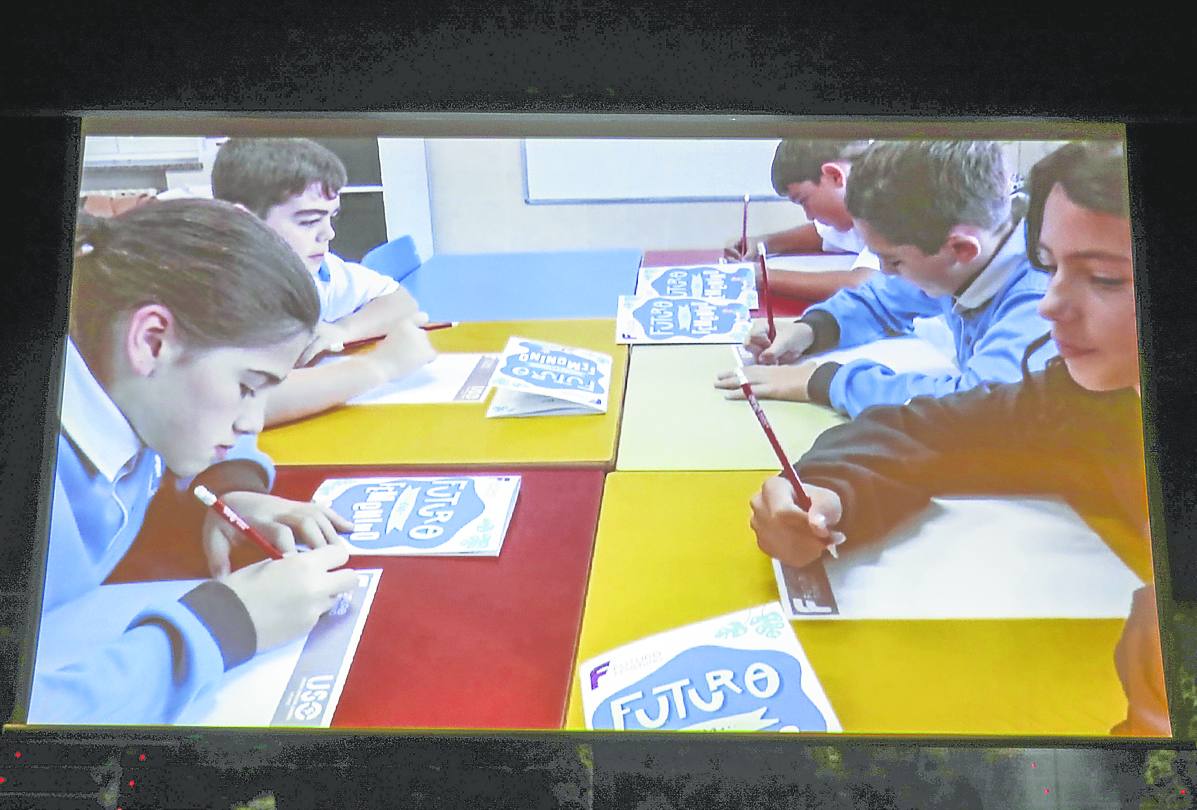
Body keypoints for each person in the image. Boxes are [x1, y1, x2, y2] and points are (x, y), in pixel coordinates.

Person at [748, 141, 1169, 736]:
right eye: (1048, 265)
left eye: (1104, 278)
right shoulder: (1089, 403)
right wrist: (824, 490)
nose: (1050, 304)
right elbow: (935, 428)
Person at [30, 199, 359, 724]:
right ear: (152, 341)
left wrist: (230, 486)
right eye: (247, 387)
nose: (253, 423)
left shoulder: (130, 396)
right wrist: (221, 628)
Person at [715, 140, 1057, 418]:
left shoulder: (1041, 302)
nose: (887, 272)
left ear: (961, 249)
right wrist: (812, 329)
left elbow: (974, 405)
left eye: (893, 261)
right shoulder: (975, 247)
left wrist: (826, 381)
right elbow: (882, 298)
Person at [211, 138, 435, 425]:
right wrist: (380, 366)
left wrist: (343, 329)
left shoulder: (316, 270)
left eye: (331, 218)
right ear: (243, 222)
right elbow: (238, 404)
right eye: (308, 221)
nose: (328, 234)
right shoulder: (213, 288)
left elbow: (399, 300)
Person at [724, 139, 879, 302]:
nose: (809, 216)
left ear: (835, 176)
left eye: (804, 200)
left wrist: (761, 276)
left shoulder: (887, 202)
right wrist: (761, 243)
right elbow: (822, 234)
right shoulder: (859, 207)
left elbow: (862, 286)